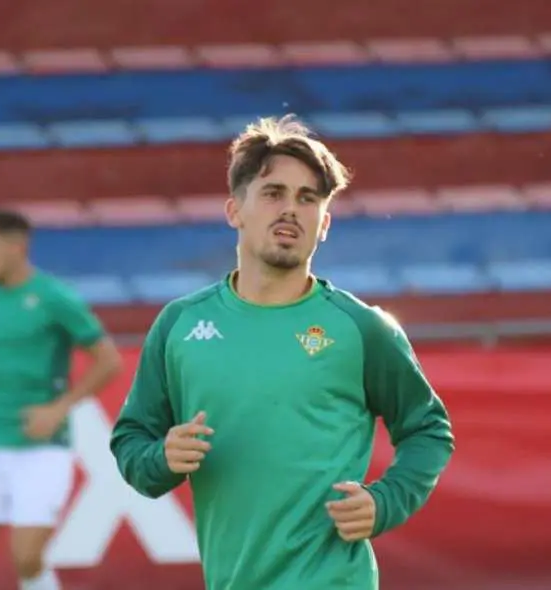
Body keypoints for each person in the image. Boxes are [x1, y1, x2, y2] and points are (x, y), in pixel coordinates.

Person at [110, 116, 455, 590]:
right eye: (273, 193)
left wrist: (387, 501)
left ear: (324, 223)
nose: (291, 209)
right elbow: (132, 443)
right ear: (235, 210)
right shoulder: (180, 325)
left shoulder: (361, 327)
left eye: (307, 199)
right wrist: (162, 458)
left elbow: (428, 429)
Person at [0, 210, 123, 590]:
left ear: (17, 246)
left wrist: (59, 409)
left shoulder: (54, 298)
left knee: (27, 556)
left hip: (42, 446)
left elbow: (109, 361)